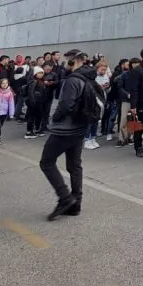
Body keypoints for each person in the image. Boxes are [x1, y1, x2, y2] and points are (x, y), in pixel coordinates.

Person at [40, 53, 100, 220]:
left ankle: (65, 198)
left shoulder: (73, 80)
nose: (65, 63)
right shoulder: (88, 77)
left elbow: (66, 105)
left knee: (46, 162)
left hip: (64, 130)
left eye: (67, 60)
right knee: (74, 166)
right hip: (80, 128)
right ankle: (76, 204)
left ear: (74, 61)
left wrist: (55, 118)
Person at [84, 59, 111, 150]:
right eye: (102, 70)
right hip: (92, 101)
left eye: (104, 70)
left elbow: (106, 88)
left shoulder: (105, 76)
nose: (103, 71)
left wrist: (106, 87)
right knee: (90, 121)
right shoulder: (92, 77)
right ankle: (87, 139)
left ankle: (93, 138)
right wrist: (99, 87)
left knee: (96, 120)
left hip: (101, 100)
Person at [24, 67, 49, 138]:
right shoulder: (34, 81)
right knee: (32, 117)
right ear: (35, 73)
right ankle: (29, 132)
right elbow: (31, 92)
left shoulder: (40, 81)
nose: (41, 74)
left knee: (37, 116)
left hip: (38, 102)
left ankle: (34, 131)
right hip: (34, 102)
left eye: (42, 73)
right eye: (39, 73)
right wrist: (33, 102)